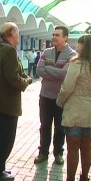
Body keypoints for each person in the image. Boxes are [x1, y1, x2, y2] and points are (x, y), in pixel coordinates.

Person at [56, 34, 91, 181]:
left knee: (72, 148)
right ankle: (83, 180)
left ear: (84, 46)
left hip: (75, 112)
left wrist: (59, 101)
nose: (77, 47)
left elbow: (67, 87)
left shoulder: (77, 64)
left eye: (79, 45)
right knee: (86, 147)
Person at [0, 22, 32, 181]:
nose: (19, 36)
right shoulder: (9, 51)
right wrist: (26, 81)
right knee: (5, 140)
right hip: (8, 103)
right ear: (12, 32)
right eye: (18, 32)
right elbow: (13, 78)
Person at [34, 25, 77, 165]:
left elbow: (66, 74)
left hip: (61, 97)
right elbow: (39, 70)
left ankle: (58, 153)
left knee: (60, 127)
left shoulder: (72, 55)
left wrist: (48, 68)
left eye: (57, 35)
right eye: (53, 34)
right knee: (45, 125)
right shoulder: (46, 52)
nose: (54, 37)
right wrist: (55, 71)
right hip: (45, 96)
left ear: (65, 38)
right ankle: (43, 152)